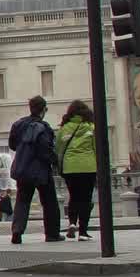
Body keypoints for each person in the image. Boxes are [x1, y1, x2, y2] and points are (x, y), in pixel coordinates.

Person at [8, 95, 63, 244]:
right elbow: (45, 149)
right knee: (49, 202)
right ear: (43, 109)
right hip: (40, 170)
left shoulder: (18, 125)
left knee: (22, 201)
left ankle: (17, 231)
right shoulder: (44, 127)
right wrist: (55, 161)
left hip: (23, 168)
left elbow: (12, 145)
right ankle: (52, 234)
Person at [56, 99, 98, 239]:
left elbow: (58, 149)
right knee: (86, 198)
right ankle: (83, 231)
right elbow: (97, 148)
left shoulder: (64, 128)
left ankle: (72, 222)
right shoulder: (91, 127)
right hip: (88, 166)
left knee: (73, 196)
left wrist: (59, 166)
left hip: (70, 167)